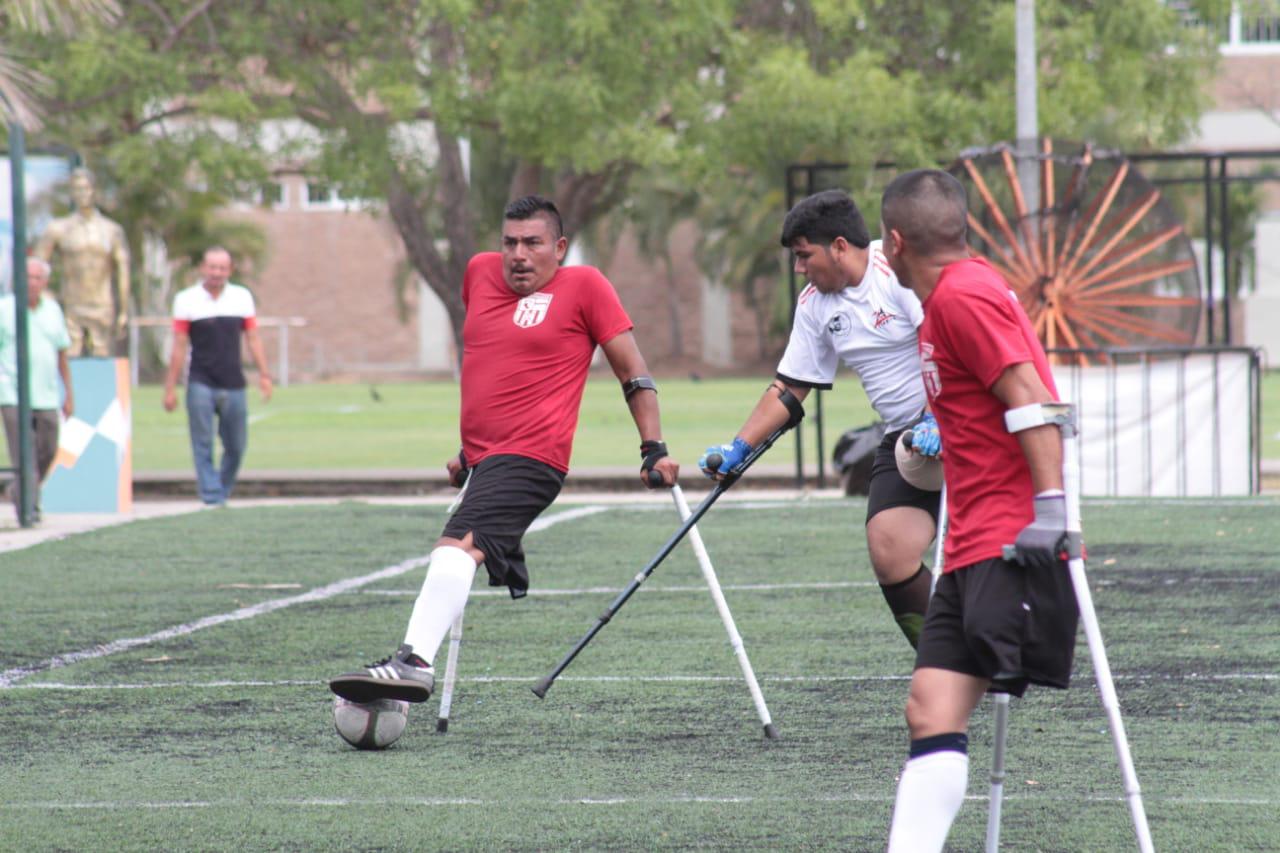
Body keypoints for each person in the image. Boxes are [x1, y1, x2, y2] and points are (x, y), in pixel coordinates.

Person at [330, 195, 679, 705]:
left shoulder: (586, 286)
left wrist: (654, 448)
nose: (518, 254)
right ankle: (411, 666)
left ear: (558, 248)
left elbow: (635, 372)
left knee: (459, 545)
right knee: (461, 544)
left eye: (533, 243)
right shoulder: (477, 273)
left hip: (535, 456)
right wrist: (469, 451)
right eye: (510, 242)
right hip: (488, 459)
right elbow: (495, 367)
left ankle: (414, 664)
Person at [879, 168, 1079, 852]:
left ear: (894, 240)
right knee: (928, 708)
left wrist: (1050, 508)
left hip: (1008, 539)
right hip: (965, 543)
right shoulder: (945, 303)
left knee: (963, 697)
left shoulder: (965, 296)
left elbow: (1033, 396)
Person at [699, 189, 941, 649]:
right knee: (889, 550)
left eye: (804, 255)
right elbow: (790, 388)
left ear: (840, 246)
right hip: (904, 435)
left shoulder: (899, 273)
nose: (799, 268)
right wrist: (738, 448)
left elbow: (945, 342)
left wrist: (939, 416)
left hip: (959, 419)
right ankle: (949, 657)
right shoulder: (815, 304)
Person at [162, 247, 273, 507]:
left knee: (236, 444)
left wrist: (265, 375)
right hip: (200, 380)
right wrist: (170, 387)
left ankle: (221, 488)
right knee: (202, 442)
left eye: (222, 268)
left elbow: (253, 339)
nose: (217, 273)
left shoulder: (241, 297)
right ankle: (212, 496)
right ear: (203, 268)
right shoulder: (186, 300)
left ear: (230, 271)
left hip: (234, 381)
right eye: (212, 267)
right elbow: (179, 346)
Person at [1, 258, 74, 522]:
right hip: (11, 393)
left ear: (44, 282)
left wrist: (69, 394)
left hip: (46, 394)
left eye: (37, 278)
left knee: (48, 450)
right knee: (25, 454)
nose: (31, 283)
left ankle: (19, 490)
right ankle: (29, 509)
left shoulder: (53, 310)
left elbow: (61, 354)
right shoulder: (5, 309)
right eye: (27, 277)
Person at [33, 168, 131, 356]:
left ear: (94, 191)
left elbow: (123, 270)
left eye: (86, 188)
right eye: (77, 189)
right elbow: (37, 265)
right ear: (72, 193)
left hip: (102, 304)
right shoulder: (59, 228)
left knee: (102, 358)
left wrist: (124, 310)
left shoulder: (111, 230)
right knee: (70, 356)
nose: (82, 194)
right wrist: (46, 297)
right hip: (71, 304)